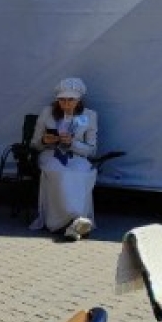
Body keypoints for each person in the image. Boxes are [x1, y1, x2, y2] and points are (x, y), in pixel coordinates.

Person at [29, 77, 99, 241]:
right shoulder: (48, 113)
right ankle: (62, 222)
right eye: (62, 99)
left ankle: (77, 221)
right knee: (60, 173)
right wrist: (45, 141)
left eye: (70, 100)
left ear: (79, 99)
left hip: (77, 156)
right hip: (51, 154)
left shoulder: (89, 115)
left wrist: (73, 143)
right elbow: (35, 143)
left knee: (80, 173)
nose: (66, 104)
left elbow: (92, 149)